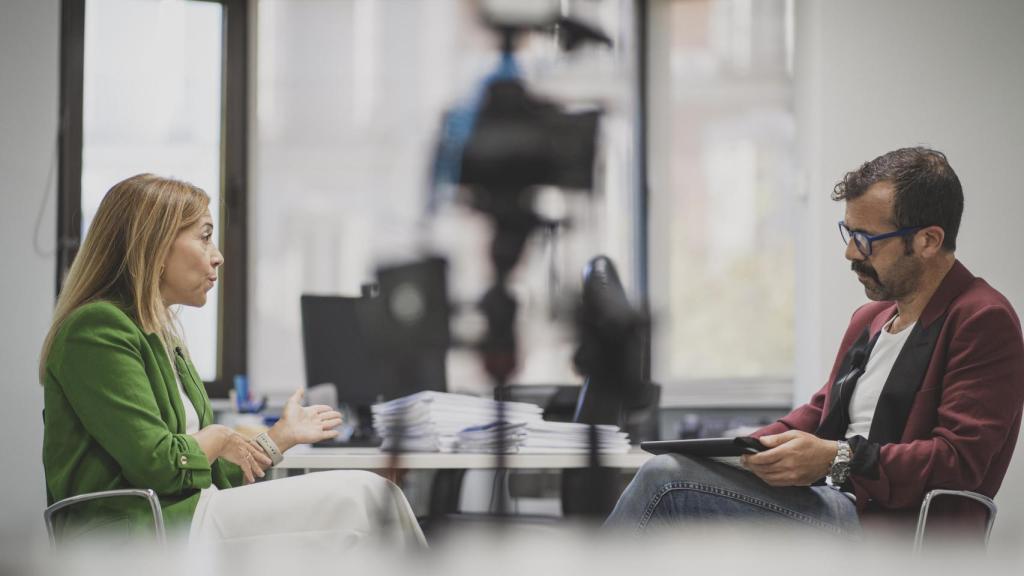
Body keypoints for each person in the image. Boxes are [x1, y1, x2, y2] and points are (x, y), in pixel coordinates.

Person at [607, 147, 1024, 539]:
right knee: (675, 468)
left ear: (928, 240)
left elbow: (958, 461)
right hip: (838, 508)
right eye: (848, 232)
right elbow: (817, 415)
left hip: (895, 530)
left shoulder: (981, 319)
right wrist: (734, 452)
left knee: (665, 481)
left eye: (866, 239)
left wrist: (836, 458)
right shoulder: (872, 318)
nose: (849, 253)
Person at [40, 174, 425, 548]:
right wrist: (221, 437)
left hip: (191, 512)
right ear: (153, 248)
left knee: (375, 496)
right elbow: (158, 465)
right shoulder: (95, 329)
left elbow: (203, 472)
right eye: (205, 236)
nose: (218, 256)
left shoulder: (162, 336)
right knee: (362, 499)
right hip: (141, 533)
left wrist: (279, 439)